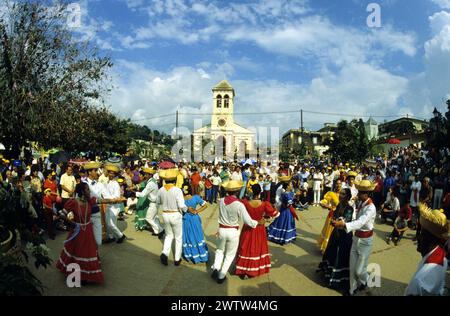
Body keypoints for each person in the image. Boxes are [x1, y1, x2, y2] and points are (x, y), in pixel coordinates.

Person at [211, 180, 262, 284]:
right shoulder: (239, 204)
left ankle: (216, 268)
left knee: (220, 250)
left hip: (222, 229)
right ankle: (221, 275)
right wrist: (257, 222)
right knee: (229, 255)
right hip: (233, 231)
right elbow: (248, 221)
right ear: (238, 191)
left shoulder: (221, 201)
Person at [333, 180, 377, 296]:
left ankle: (367, 283)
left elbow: (360, 222)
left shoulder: (371, 208)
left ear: (367, 194)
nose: (357, 195)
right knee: (352, 268)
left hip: (365, 242)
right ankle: (352, 291)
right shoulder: (362, 203)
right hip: (356, 238)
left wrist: (344, 225)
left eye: (360, 193)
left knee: (359, 270)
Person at [56, 182, 104, 284]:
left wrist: (116, 200)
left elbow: (103, 201)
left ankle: (85, 275)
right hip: (77, 231)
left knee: (88, 252)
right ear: (82, 191)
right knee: (77, 252)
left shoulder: (90, 201)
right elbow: (61, 214)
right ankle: (77, 276)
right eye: (87, 190)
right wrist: (72, 223)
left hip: (88, 231)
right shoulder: (73, 202)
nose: (89, 191)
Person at [235, 184, 279, 278]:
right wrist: (266, 219)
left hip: (247, 228)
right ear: (260, 192)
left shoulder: (246, 203)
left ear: (252, 191)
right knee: (257, 248)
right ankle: (252, 271)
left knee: (245, 247)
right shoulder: (264, 204)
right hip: (259, 229)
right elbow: (276, 214)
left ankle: (243, 270)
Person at [405, 204, 449, 295]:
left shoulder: (419, 281)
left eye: (422, 234)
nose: (418, 238)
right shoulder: (442, 256)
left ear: (430, 239)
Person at [317, 188, 354, 293]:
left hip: (344, 236)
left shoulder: (349, 208)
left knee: (339, 256)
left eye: (343, 194)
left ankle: (337, 280)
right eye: (340, 193)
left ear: (347, 196)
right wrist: (329, 208)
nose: (340, 195)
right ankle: (328, 274)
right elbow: (335, 215)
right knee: (331, 252)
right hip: (336, 233)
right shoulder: (339, 205)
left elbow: (346, 220)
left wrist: (337, 222)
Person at [158, 169, 187, 266]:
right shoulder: (177, 190)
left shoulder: (161, 189)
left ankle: (165, 253)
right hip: (175, 214)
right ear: (174, 180)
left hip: (165, 214)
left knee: (168, 235)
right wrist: (187, 210)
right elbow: (182, 205)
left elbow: (158, 201)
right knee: (178, 237)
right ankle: (177, 259)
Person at [182, 185, 209, 264]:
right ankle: (201, 255)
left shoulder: (181, 199)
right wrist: (197, 211)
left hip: (185, 219)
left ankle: (190, 255)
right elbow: (205, 205)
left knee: (188, 236)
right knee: (197, 236)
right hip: (195, 219)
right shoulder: (196, 197)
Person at [268, 176, 298, 245]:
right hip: (285, 211)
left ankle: (288, 236)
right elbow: (288, 203)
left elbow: (292, 197)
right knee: (283, 223)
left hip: (288, 211)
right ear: (287, 186)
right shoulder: (284, 193)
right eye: (291, 184)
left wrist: (294, 196)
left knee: (287, 223)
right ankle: (282, 237)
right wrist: (293, 199)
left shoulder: (289, 192)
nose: (292, 185)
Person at [102, 164, 127, 244]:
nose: (111, 174)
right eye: (110, 173)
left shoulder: (115, 183)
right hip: (108, 205)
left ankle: (120, 236)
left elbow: (117, 196)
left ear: (115, 174)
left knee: (110, 223)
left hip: (114, 206)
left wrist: (111, 199)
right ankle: (111, 237)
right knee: (107, 222)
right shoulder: (107, 182)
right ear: (108, 173)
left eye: (113, 173)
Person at [317, 184, 341, 253]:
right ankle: (326, 248)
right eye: (337, 185)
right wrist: (326, 205)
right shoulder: (331, 194)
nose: (338, 186)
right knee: (329, 231)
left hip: (340, 216)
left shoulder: (343, 194)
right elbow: (323, 202)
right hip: (332, 215)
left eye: (340, 185)